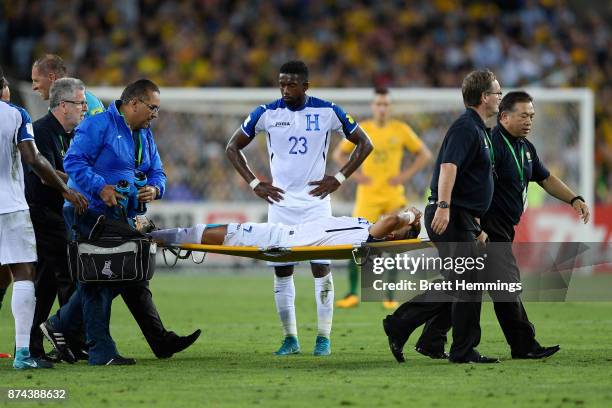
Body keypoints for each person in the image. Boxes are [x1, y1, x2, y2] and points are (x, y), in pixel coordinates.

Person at [31, 57, 200, 360]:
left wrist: (155, 188)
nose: (156, 114)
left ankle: (67, 326)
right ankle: (100, 349)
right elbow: (72, 162)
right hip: (92, 213)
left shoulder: (144, 135)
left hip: (123, 215)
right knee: (102, 276)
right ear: (134, 103)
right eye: (152, 108)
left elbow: (158, 171)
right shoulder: (98, 125)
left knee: (129, 274)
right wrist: (101, 187)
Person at [413, 91, 590, 360]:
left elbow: (545, 178)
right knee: (504, 285)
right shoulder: (490, 142)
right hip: (486, 225)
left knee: (467, 286)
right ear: (505, 117)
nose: (529, 121)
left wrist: (574, 198)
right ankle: (523, 345)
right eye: (523, 115)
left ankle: (428, 337)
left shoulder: (525, 148)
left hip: (503, 226)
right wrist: (472, 221)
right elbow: (465, 180)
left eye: (532, 115)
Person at [226, 60, 373, 356]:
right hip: (280, 204)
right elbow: (232, 147)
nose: (285, 89)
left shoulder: (327, 110)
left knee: (321, 267)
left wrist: (340, 177)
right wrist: (256, 184)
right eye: (281, 83)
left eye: (291, 84)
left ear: (305, 86)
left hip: (316, 204)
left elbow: (365, 143)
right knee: (282, 271)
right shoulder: (266, 113)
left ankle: (323, 338)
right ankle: (290, 338)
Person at [382, 69, 501, 364]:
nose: (500, 97)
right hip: (451, 214)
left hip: (463, 217)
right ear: (484, 97)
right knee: (467, 283)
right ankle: (461, 349)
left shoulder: (479, 129)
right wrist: (445, 207)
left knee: (459, 282)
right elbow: (449, 168)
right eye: (497, 92)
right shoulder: (466, 128)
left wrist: (477, 223)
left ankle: (426, 337)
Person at [0, 65, 87, 369]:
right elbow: (32, 159)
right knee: (25, 274)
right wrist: (67, 188)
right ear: (3, 87)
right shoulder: (16, 115)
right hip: (12, 206)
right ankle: (24, 353)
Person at [333, 87, 432, 310]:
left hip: (392, 195)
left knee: (396, 242)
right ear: (372, 106)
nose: (382, 108)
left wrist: (404, 176)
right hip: (367, 196)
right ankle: (351, 293)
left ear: (390, 107)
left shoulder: (400, 129)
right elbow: (338, 154)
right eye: (378, 104)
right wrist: (356, 175)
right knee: (356, 242)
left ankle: (389, 295)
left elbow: (425, 155)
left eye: (386, 104)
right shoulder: (363, 129)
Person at [25, 78, 89, 359]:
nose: (84, 108)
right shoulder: (41, 131)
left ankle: (37, 344)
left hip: (56, 213)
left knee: (49, 281)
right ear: (63, 105)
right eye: (80, 103)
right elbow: (46, 171)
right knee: (67, 275)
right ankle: (70, 339)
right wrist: (78, 185)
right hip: (42, 212)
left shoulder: (68, 134)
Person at [151, 208, 421, 248]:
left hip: (283, 238)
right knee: (223, 230)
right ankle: (153, 237)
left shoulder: (371, 236)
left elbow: (391, 219)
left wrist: (409, 216)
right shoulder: (368, 227)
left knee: (223, 231)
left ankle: (152, 238)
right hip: (287, 231)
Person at [31, 54, 104, 117]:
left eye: (36, 81)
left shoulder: (88, 102)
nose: (34, 87)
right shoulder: (54, 108)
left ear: (52, 77)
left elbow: (104, 131)